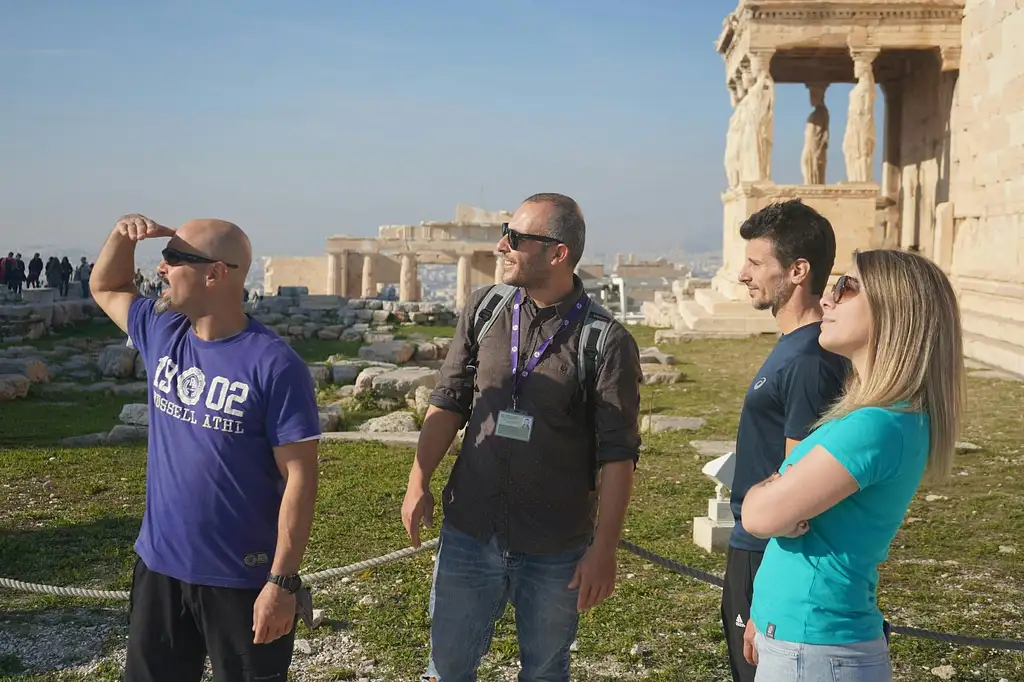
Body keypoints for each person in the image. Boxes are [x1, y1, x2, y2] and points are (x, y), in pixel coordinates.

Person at [401, 193, 643, 682]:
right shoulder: (485, 308)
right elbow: (449, 399)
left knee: (546, 670)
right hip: (470, 527)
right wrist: (418, 479)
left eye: (515, 238)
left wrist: (605, 550)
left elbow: (618, 455)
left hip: (555, 544)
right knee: (446, 666)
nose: (500, 245)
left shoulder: (605, 340)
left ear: (557, 253)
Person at [90, 214, 322, 682]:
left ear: (215, 273)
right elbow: (106, 286)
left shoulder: (275, 365)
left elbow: (302, 475)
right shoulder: (163, 332)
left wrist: (281, 582)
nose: (161, 269)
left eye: (174, 258)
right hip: (160, 566)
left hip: (241, 578)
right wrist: (121, 235)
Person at [740, 249, 965, 681]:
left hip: (817, 648)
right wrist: (767, 614)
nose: (827, 300)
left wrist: (769, 491)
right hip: (803, 637)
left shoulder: (877, 426)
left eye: (846, 288)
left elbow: (759, 515)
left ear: (895, 310)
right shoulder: (874, 417)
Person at [723, 199, 850, 682]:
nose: (742, 274)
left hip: (769, 552)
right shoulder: (793, 347)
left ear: (798, 270)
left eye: (756, 263)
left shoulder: (810, 360)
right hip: (753, 543)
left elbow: (801, 487)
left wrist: (769, 598)